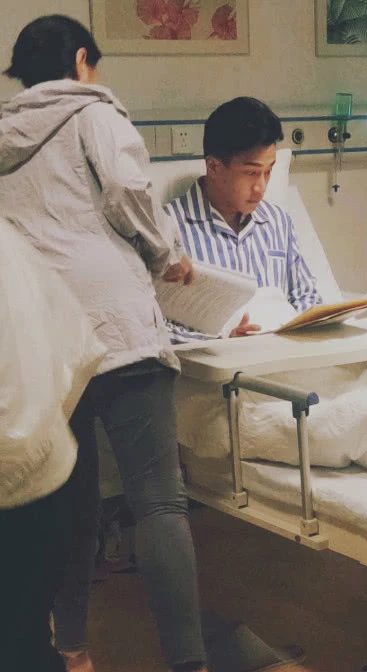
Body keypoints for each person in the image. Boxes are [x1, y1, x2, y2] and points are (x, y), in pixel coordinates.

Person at [0, 15, 207, 672]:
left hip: (46, 338)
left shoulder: (3, 136)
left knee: (70, 504)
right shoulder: (95, 112)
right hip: (117, 332)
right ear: (82, 61)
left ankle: (71, 651)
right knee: (159, 500)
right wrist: (167, 254)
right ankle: (189, 664)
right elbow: (125, 189)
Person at [0, 216, 105, 672]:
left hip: (32, 476)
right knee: (24, 640)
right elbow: (79, 350)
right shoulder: (10, 243)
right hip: (45, 470)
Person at [164, 97, 321, 339]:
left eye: (268, 172)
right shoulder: (168, 227)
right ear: (214, 167)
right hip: (214, 359)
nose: (261, 187)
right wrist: (223, 341)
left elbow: (307, 295)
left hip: (284, 351)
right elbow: (156, 324)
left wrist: (299, 325)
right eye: (251, 173)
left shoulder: (277, 222)